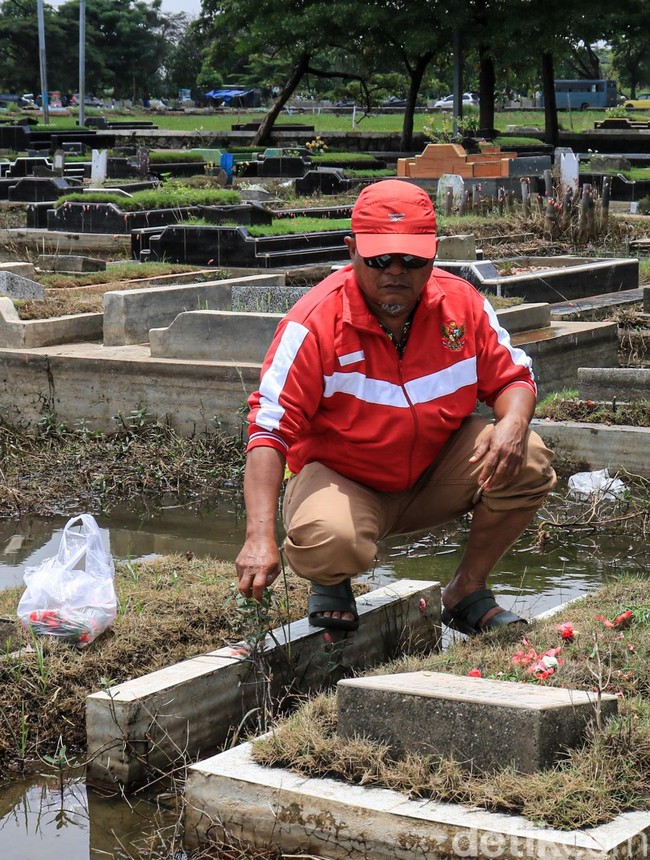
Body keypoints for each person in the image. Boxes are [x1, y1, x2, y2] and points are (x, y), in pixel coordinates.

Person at [236, 179, 556, 636]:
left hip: (437, 470)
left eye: (412, 259)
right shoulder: (313, 324)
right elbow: (268, 429)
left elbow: (514, 378)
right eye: (380, 258)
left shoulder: (463, 305)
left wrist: (513, 423)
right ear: (352, 250)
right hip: (346, 480)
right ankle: (332, 580)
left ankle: (466, 589)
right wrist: (257, 537)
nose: (396, 271)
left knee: (529, 457)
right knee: (331, 541)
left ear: (435, 254)